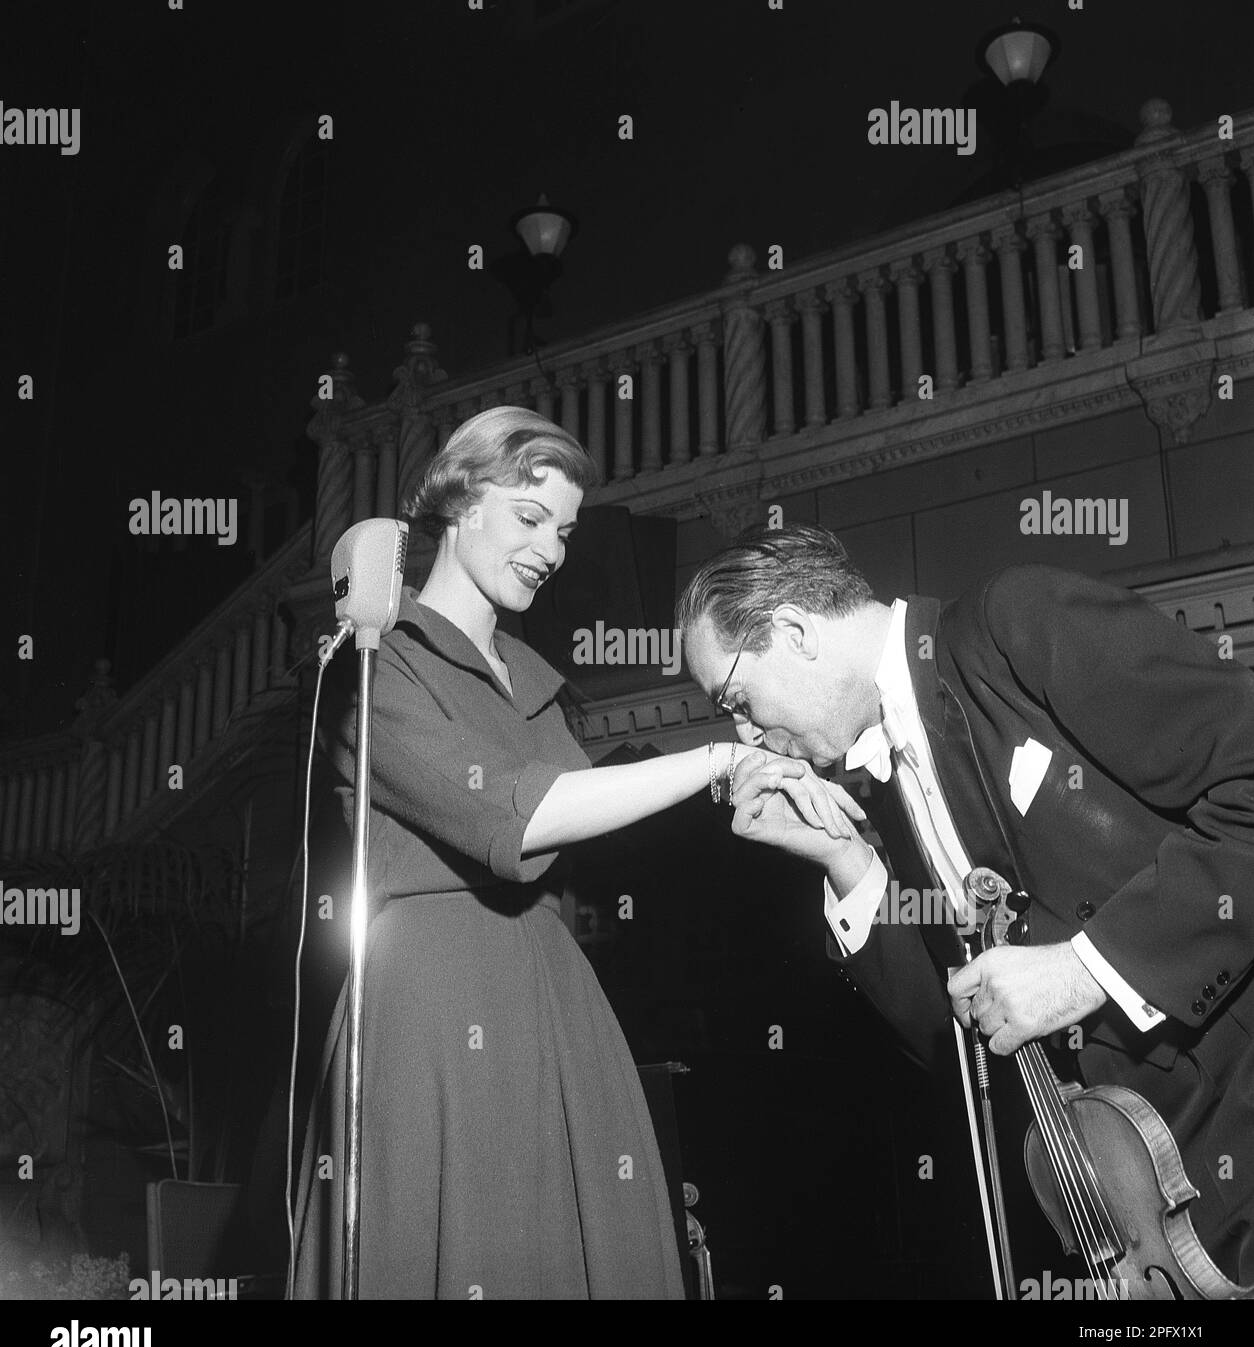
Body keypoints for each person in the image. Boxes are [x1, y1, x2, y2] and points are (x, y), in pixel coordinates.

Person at [291, 409, 845, 1299]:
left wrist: (754, 789)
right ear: (461, 503)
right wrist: (717, 757)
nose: (551, 549)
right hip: (430, 1007)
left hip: (553, 999)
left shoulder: (533, 682)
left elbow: (599, 825)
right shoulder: (375, 669)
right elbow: (518, 819)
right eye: (529, 517)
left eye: (566, 530)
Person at [676, 521, 1254, 1289]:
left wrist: (1088, 970)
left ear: (792, 631)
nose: (744, 733)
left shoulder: (1015, 623)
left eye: (737, 699)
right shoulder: (885, 779)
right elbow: (954, 1036)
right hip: (1136, 1218)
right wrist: (840, 857)